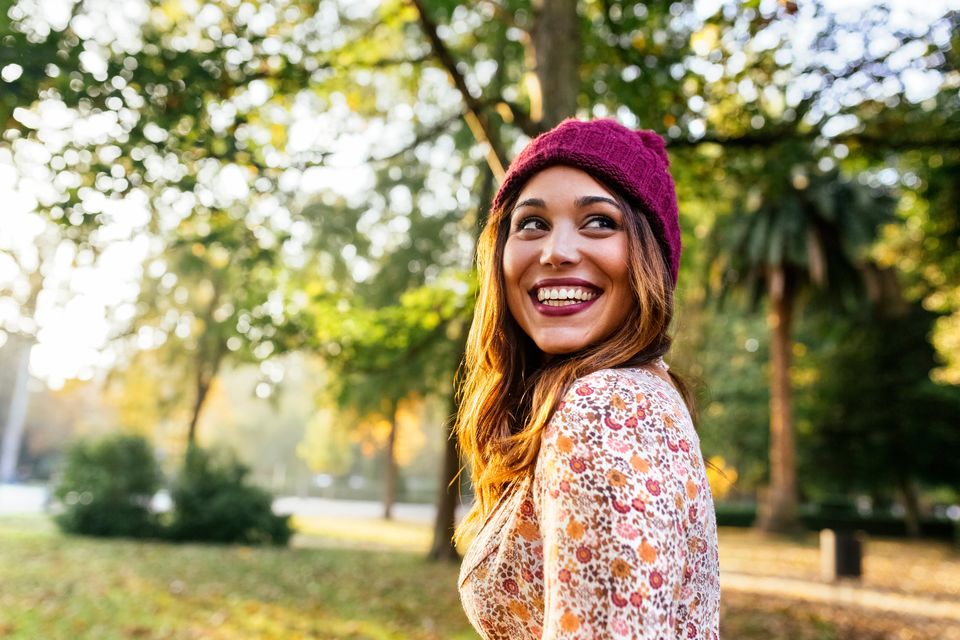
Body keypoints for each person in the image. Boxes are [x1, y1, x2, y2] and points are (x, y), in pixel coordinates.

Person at [454, 118, 720, 639]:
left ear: (650, 258)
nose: (555, 251)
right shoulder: (641, 395)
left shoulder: (606, 410)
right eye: (531, 223)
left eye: (599, 221)